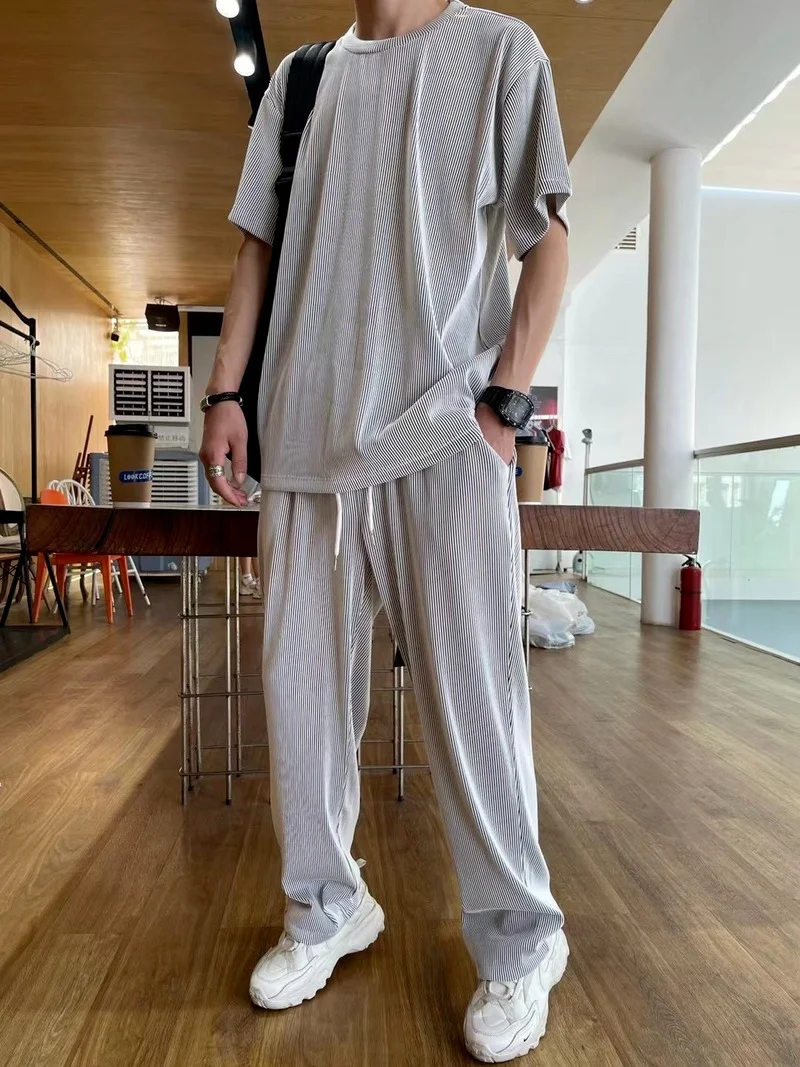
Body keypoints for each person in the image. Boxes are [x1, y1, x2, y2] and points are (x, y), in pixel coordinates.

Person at [200, 2, 571, 1060]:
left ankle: (522, 939)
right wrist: (224, 392)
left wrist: (503, 404)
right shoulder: (301, 78)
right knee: (301, 702)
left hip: (443, 434)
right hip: (302, 443)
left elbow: (546, 242)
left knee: (476, 706)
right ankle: (326, 907)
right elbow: (256, 251)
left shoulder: (499, 51)